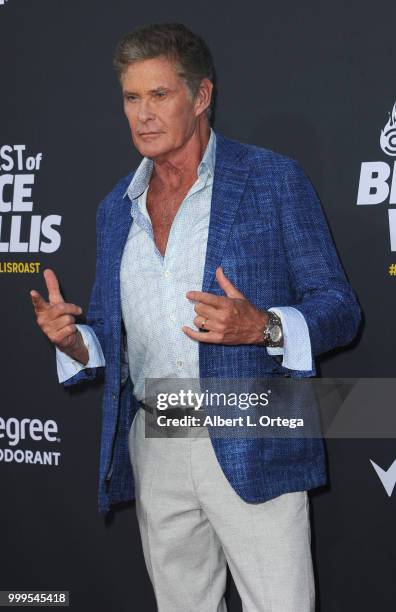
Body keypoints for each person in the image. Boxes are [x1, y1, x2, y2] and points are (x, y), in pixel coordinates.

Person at [30, 22, 360, 612]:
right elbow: (113, 337)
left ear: (201, 96)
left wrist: (263, 326)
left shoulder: (272, 180)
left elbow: (340, 308)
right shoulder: (115, 208)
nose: (143, 114)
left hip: (254, 425)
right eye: (132, 98)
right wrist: (76, 343)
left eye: (160, 95)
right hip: (157, 432)